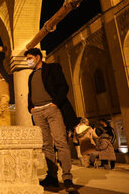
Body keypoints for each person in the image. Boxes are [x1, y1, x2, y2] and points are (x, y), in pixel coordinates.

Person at [25, 48, 77, 193]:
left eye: (29, 58)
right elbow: (31, 93)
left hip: (52, 109)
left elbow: (63, 86)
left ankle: (67, 177)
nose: (28, 61)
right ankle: (52, 177)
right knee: (46, 145)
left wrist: (55, 103)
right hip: (37, 112)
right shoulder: (31, 75)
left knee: (60, 142)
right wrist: (31, 108)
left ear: (37, 57)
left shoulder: (52, 68)